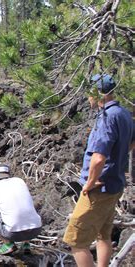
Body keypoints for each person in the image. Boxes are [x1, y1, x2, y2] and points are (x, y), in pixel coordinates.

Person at [63, 74, 134, 267]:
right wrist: (118, 157)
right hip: (115, 184)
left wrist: (90, 183)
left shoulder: (106, 117)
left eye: (90, 93)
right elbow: (131, 142)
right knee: (104, 235)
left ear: (97, 93)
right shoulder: (124, 113)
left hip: (99, 189)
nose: (88, 97)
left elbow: (98, 158)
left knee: (75, 242)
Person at [0, 163, 42, 255]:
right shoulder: (19, 181)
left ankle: (8, 244)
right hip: (36, 230)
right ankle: (26, 244)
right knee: (23, 211)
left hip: (13, 234)